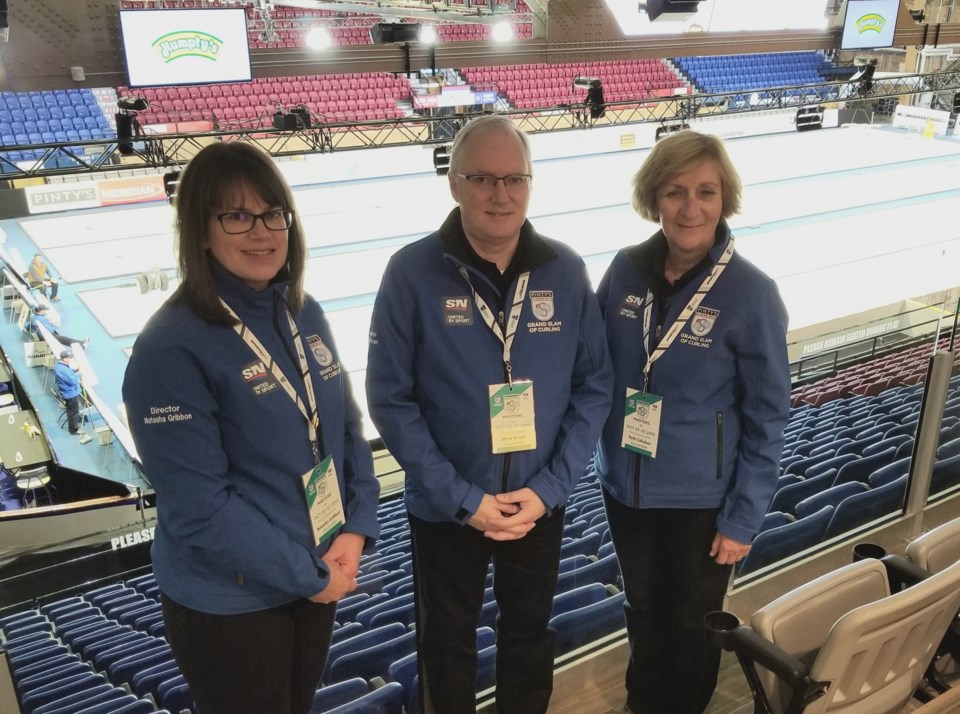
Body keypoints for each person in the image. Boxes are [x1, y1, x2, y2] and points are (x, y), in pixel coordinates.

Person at [122, 142, 381, 714]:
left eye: (272, 214)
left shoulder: (300, 310)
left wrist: (355, 528)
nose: (261, 232)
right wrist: (310, 574)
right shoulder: (171, 348)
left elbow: (344, 428)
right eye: (236, 216)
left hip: (319, 570)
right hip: (232, 602)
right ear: (201, 229)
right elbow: (200, 505)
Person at [366, 114, 613, 714]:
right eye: (482, 178)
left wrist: (549, 489)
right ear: (453, 183)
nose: (500, 195)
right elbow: (389, 399)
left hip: (537, 503)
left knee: (529, 635)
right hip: (447, 510)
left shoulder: (565, 269)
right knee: (445, 644)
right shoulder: (411, 273)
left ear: (530, 184)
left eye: (514, 179)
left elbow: (595, 386)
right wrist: (462, 499)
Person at [595, 130, 791, 714]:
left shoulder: (751, 294)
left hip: (701, 501)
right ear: (654, 197)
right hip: (625, 489)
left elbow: (767, 416)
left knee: (690, 625)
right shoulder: (625, 271)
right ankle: (642, 703)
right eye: (675, 191)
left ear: (724, 199)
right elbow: (591, 366)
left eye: (705, 192)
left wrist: (741, 517)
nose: (690, 207)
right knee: (642, 610)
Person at [54, 348, 86, 437]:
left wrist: (75, 371)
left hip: (69, 392)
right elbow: (72, 381)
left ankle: (74, 424)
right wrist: (79, 374)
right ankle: (73, 430)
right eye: (70, 358)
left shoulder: (60, 365)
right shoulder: (62, 369)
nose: (71, 359)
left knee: (73, 410)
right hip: (70, 394)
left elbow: (69, 373)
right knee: (73, 411)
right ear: (64, 359)